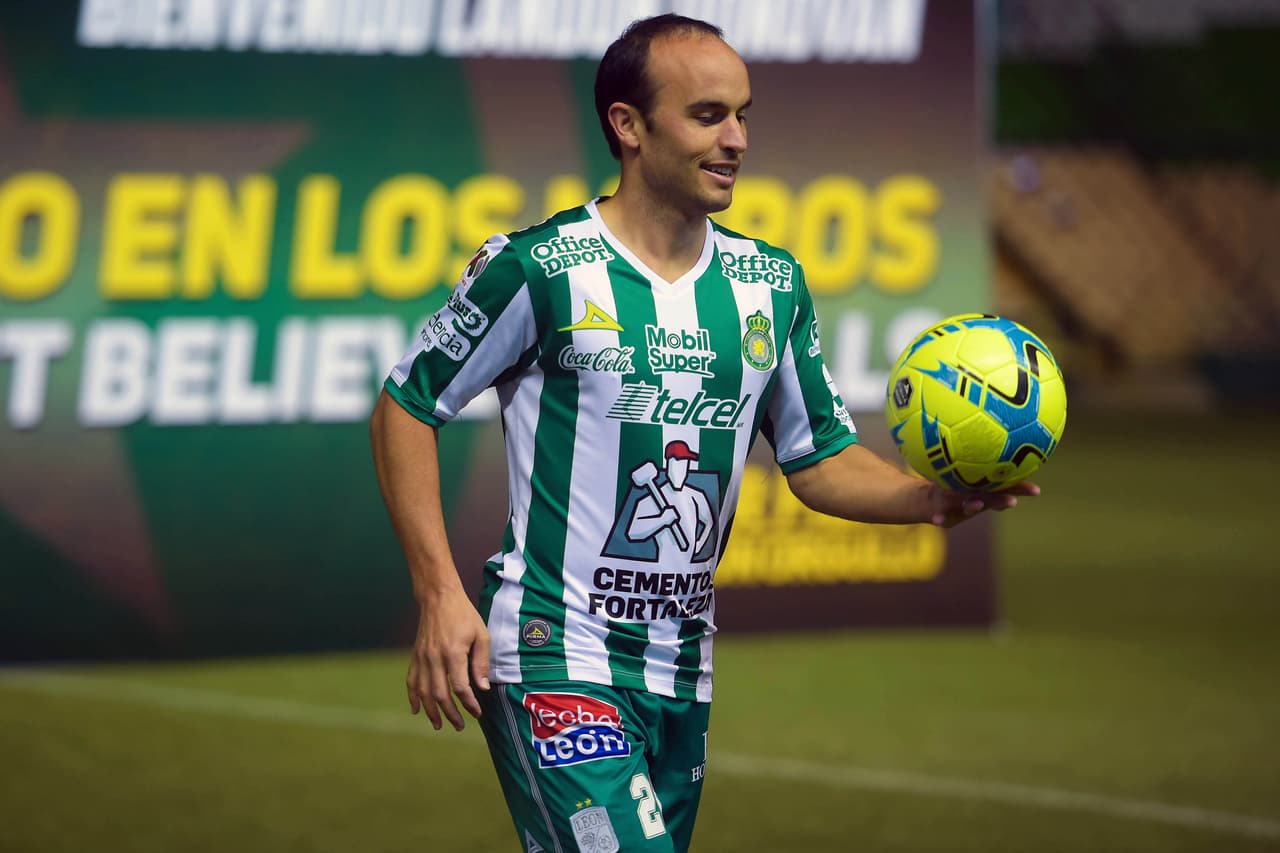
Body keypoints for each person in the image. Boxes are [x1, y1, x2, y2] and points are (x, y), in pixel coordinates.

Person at [370, 13, 1036, 852]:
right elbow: (406, 403)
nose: (736, 140)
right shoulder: (538, 268)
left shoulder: (771, 285)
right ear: (629, 127)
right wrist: (438, 594)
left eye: (743, 115)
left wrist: (930, 499)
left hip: (683, 668)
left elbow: (818, 456)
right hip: (554, 650)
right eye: (709, 115)